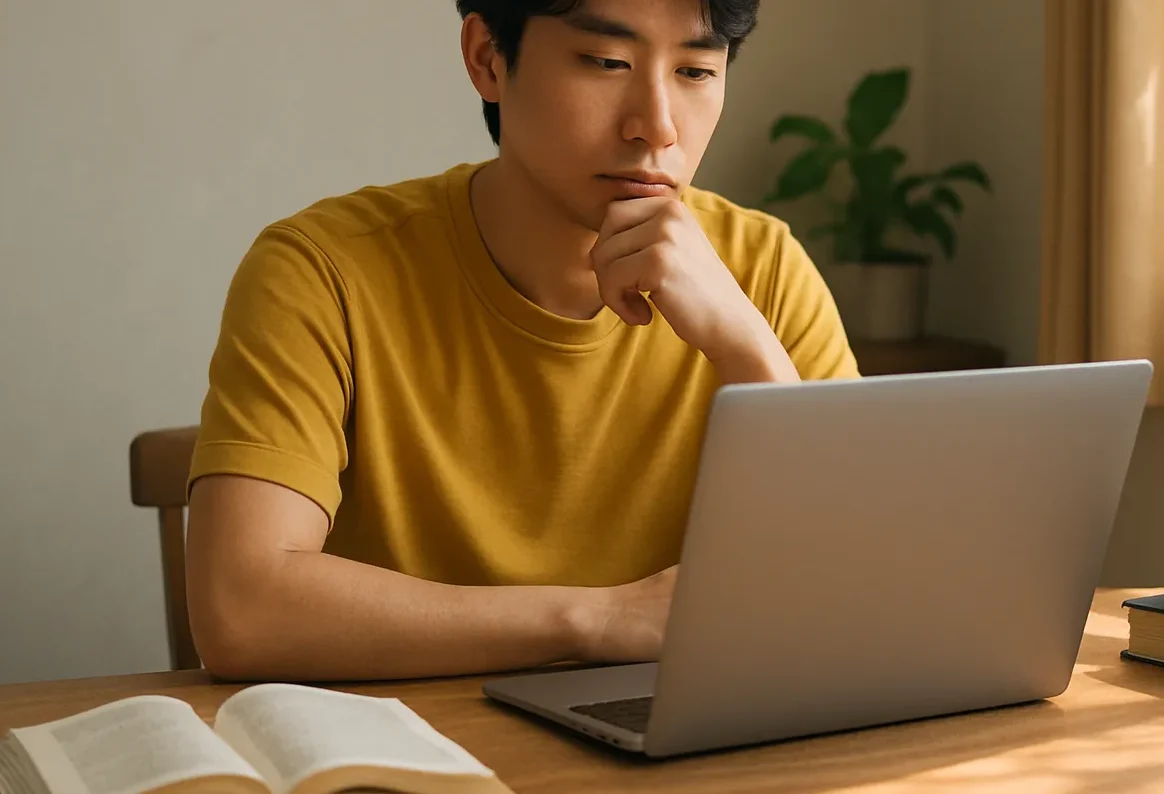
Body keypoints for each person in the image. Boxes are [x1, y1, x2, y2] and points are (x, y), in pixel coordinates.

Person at [185, 0, 858, 683]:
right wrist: (600, 620)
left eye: (695, 70)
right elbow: (243, 612)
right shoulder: (323, 269)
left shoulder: (763, 269)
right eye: (607, 62)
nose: (656, 127)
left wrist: (746, 347)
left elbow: (869, 591)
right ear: (487, 58)